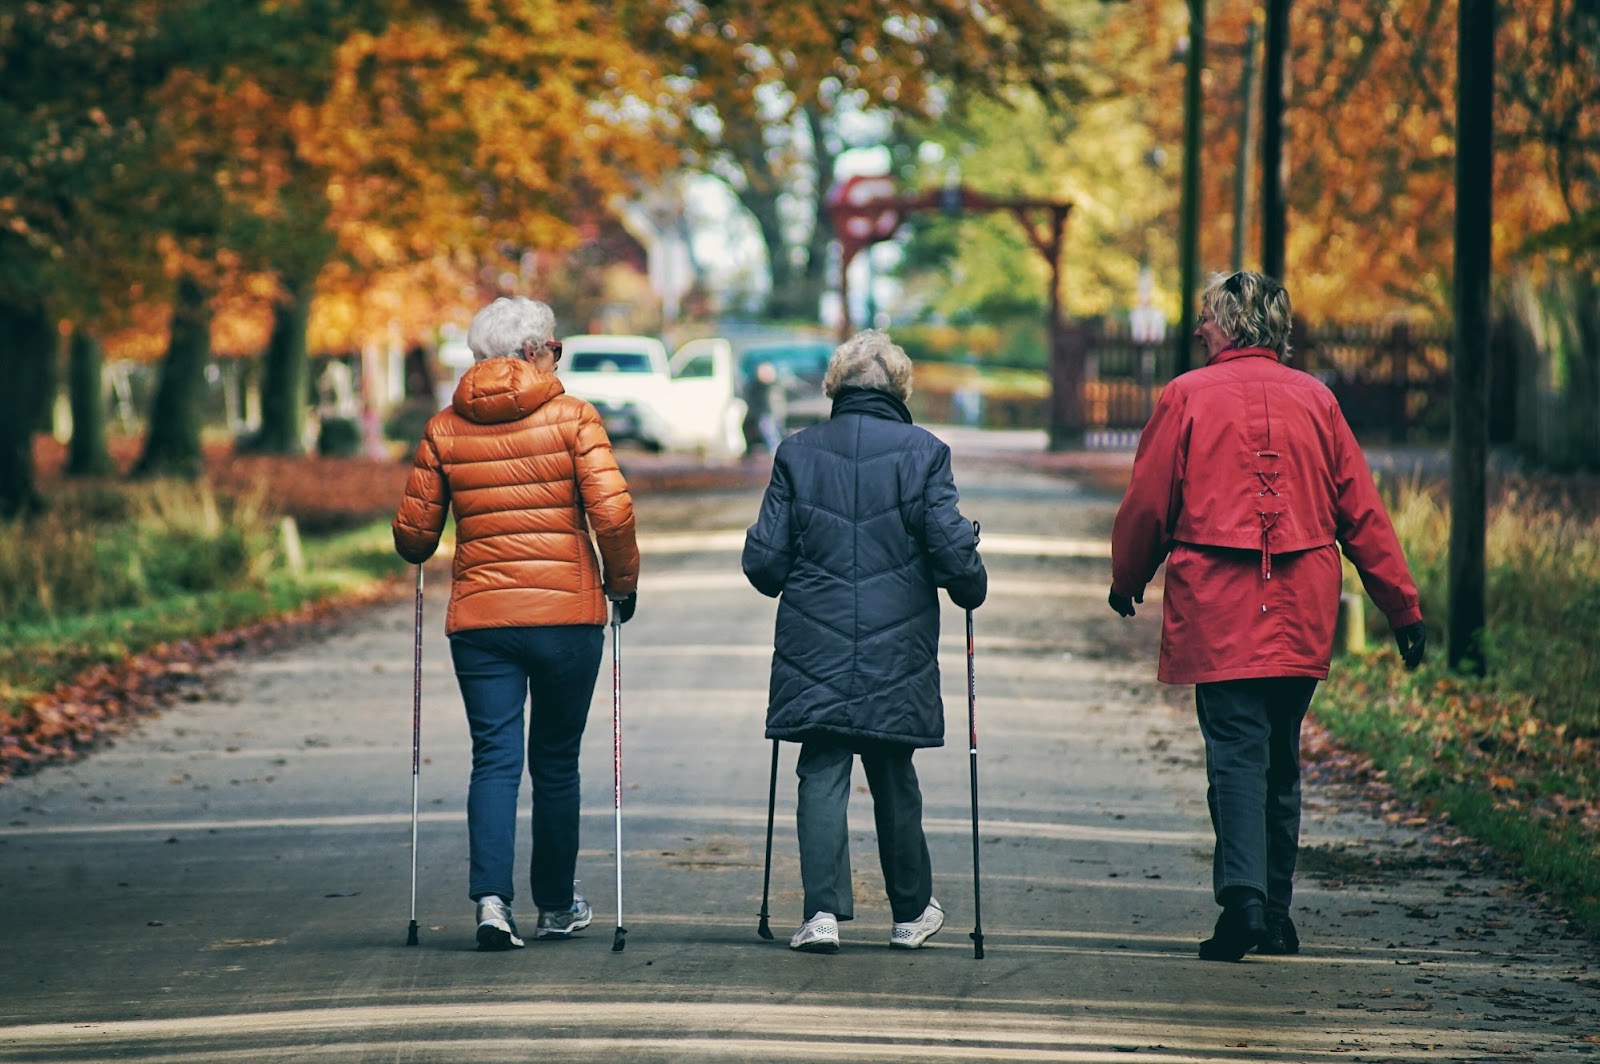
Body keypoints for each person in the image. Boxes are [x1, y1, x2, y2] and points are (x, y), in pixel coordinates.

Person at [1109, 271, 1426, 961]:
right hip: (1300, 601)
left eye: (1206, 318)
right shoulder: (1318, 400)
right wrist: (1401, 607)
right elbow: (1361, 512)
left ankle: (1244, 905)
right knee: (1280, 755)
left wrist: (1128, 576)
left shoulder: (1186, 396)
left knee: (1235, 753)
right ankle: (1276, 914)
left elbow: (1149, 504)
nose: (1198, 330)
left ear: (1228, 324)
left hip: (1219, 601)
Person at [392, 296, 639, 952]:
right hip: (566, 618)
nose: (558, 357)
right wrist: (623, 583)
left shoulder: (444, 428)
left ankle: (492, 904)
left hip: (481, 620)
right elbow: (612, 516)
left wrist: (426, 533)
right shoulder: (574, 418)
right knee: (555, 762)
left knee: (494, 758)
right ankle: (556, 906)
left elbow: (415, 536)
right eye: (555, 347)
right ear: (534, 352)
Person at [742, 328, 987, 954]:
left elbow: (765, 565)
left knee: (820, 765)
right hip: (896, 642)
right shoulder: (924, 451)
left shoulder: (797, 453)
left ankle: (820, 915)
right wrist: (970, 582)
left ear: (833, 388)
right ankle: (909, 914)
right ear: (899, 388)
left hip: (813, 638)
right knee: (892, 767)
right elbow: (949, 549)